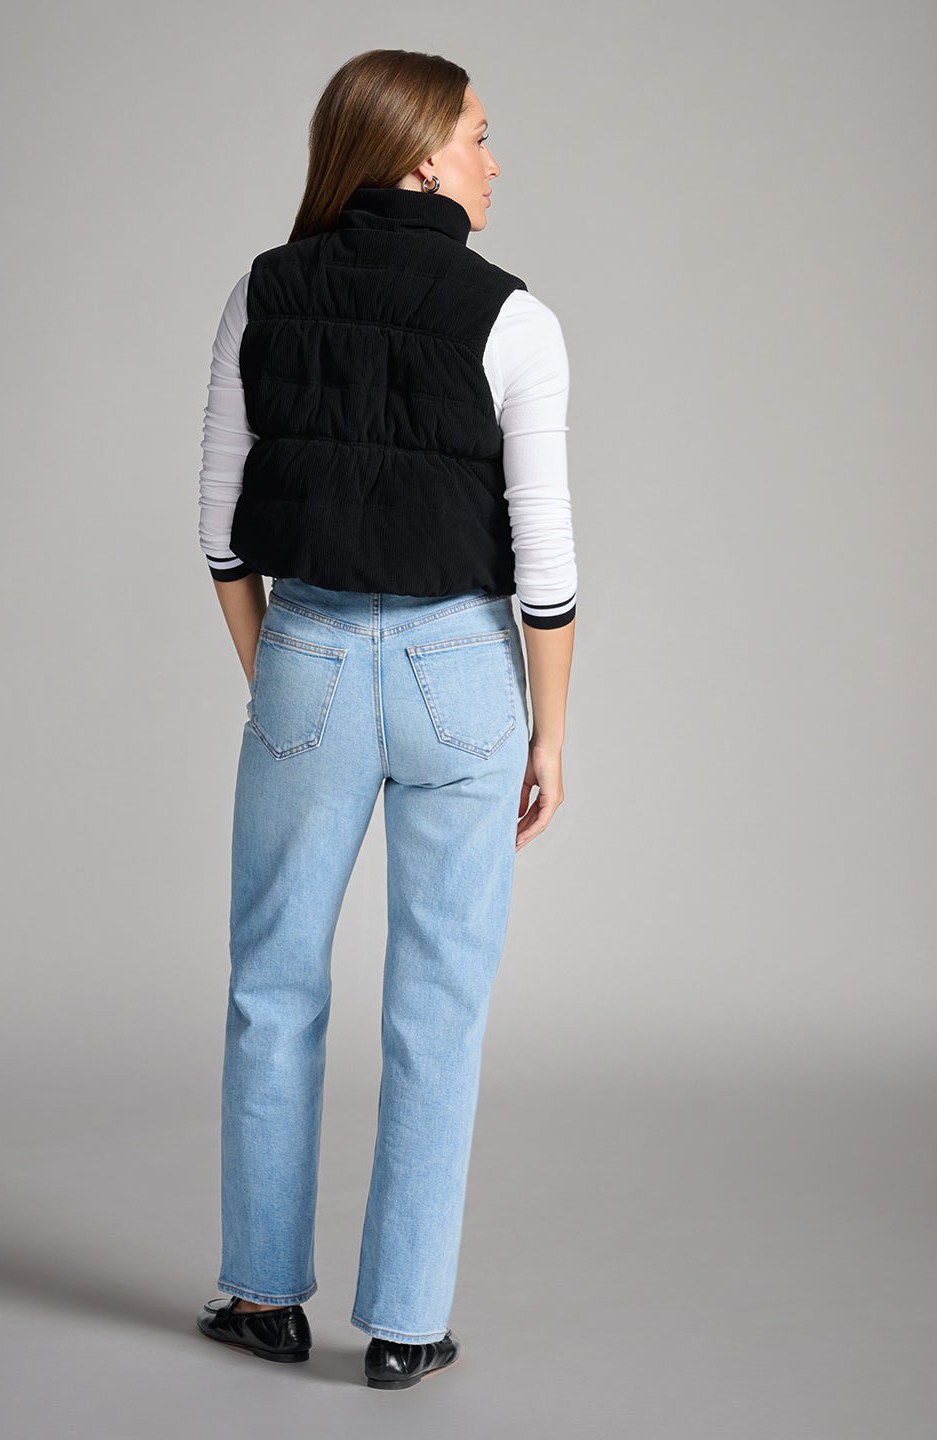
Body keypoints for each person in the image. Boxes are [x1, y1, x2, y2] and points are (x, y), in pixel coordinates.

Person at [193, 48, 577, 1391]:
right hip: (461, 675)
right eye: (479, 135)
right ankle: (407, 1324)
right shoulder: (515, 319)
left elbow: (221, 537)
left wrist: (283, 678)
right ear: (421, 156)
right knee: (439, 1003)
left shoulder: (262, 292)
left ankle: (261, 1296)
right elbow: (547, 565)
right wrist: (549, 734)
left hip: (303, 651)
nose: (492, 160)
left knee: (271, 982)